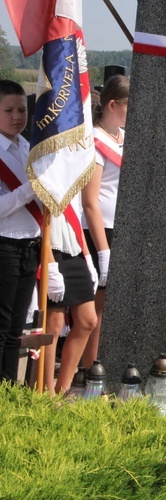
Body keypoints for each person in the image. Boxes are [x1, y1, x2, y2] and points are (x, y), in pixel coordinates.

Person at [81, 74, 129, 369]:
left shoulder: (123, 137)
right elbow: (90, 201)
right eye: (129, 105)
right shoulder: (95, 141)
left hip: (122, 227)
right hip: (102, 231)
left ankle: (101, 365)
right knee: (98, 309)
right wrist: (103, 252)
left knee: (111, 309)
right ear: (112, 105)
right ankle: (89, 370)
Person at [0, 80, 41, 383]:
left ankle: (9, 390)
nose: (17, 116)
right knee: (1, 327)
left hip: (31, 245)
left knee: (16, 329)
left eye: (22, 110)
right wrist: (30, 189)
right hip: (5, 245)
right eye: (9, 110)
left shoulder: (28, 147)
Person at [44, 193, 99, 395]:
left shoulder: (74, 168)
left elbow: (76, 212)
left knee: (87, 320)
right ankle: (47, 393)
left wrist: (88, 257)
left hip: (74, 247)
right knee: (54, 324)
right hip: (50, 246)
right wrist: (49, 263)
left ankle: (64, 388)